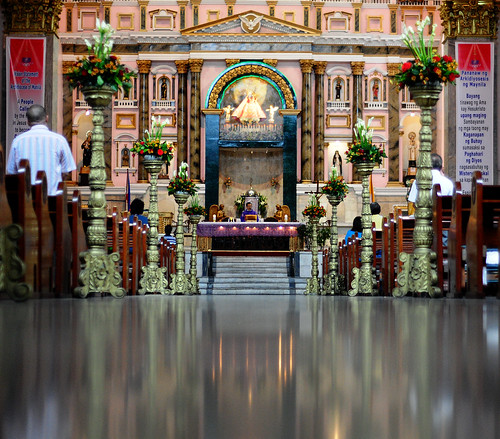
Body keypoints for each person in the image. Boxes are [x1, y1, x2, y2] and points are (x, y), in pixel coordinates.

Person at [7, 104, 76, 196]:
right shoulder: (59, 140)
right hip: (52, 200)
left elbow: (11, 172)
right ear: (47, 118)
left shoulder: (18, 141)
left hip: (25, 202)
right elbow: (66, 171)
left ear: (28, 121)